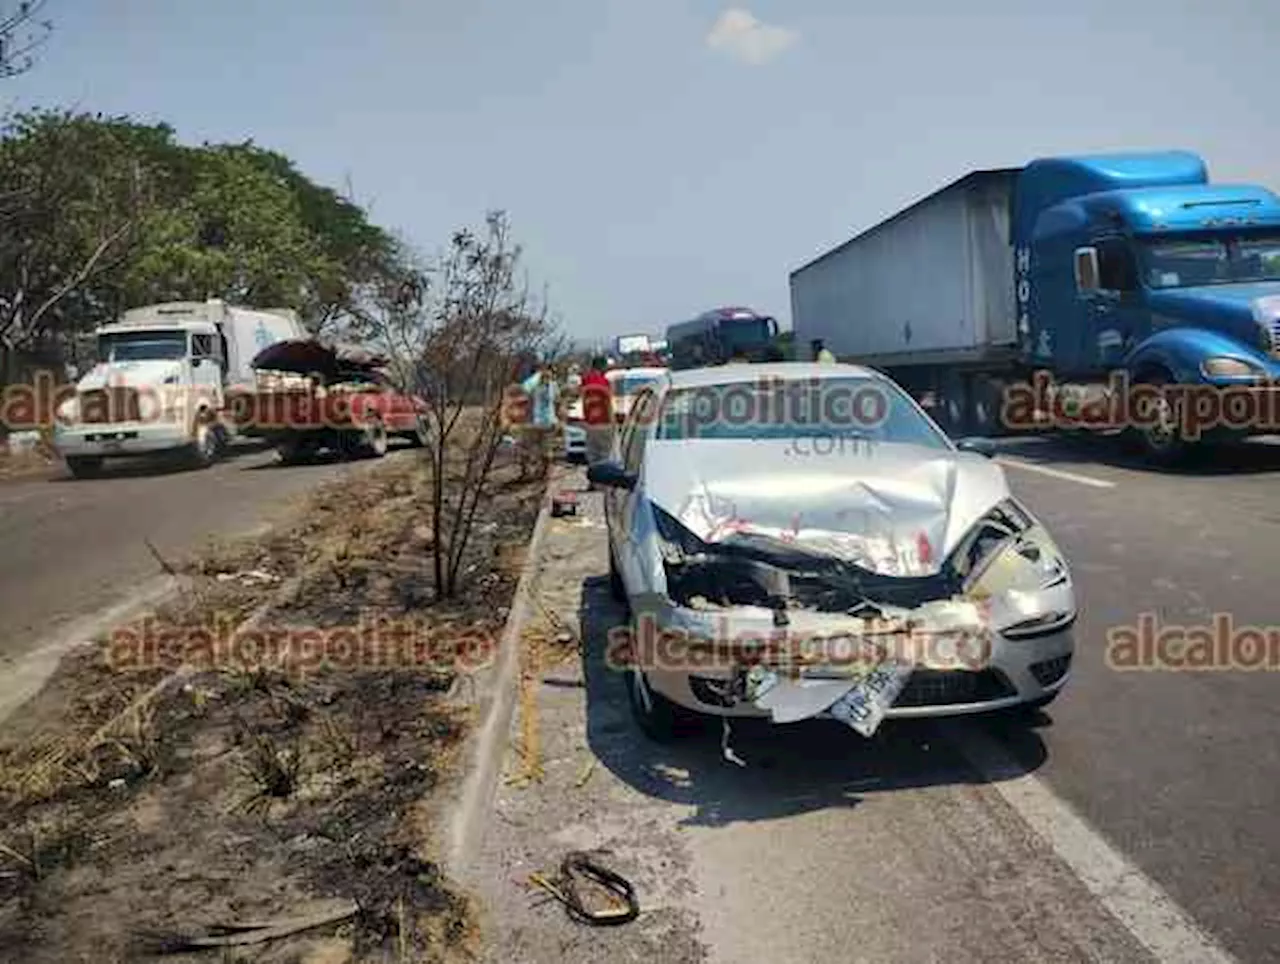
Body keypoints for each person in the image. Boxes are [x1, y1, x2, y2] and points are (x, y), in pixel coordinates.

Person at [517, 363, 558, 480]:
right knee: (546, 448)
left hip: (533, 421)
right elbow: (556, 400)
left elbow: (522, 394)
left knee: (527, 448)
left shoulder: (531, 384)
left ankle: (528, 473)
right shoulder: (552, 384)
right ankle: (544, 473)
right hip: (546, 421)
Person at [581, 355, 614, 478]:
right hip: (604, 422)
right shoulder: (605, 382)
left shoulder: (585, 381)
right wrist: (613, 422)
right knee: (604, 453)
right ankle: (602, 480)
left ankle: (593, 480)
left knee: (592, 453)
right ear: (602, 366)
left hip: (590, 422)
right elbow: (608, 403)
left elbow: (584, 402)